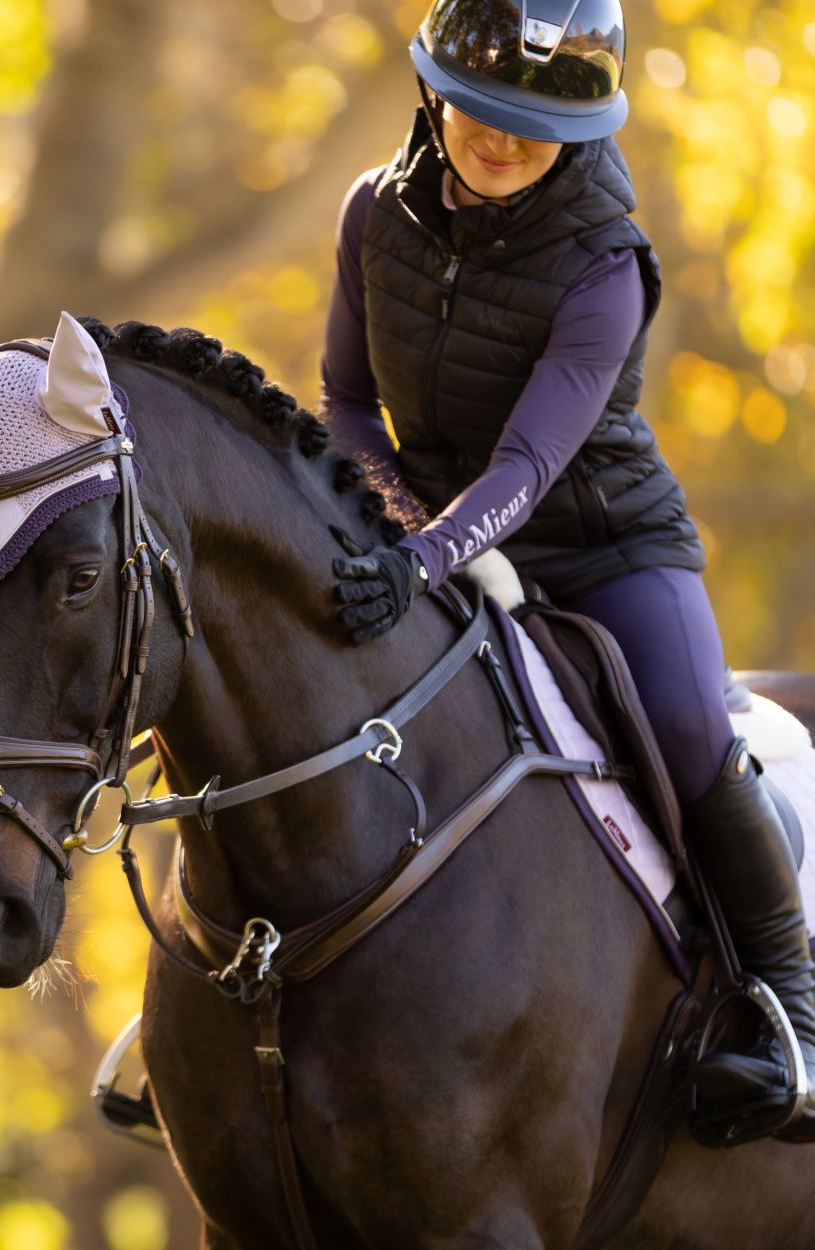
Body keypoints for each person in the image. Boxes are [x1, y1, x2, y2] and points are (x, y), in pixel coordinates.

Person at [321, 0, 815, 1139]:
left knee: (688, 723)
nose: (501, 139)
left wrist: (425, 555)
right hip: (423, 535)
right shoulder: (370, 211)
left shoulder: (607, 265)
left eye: (536, 126)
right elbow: (346, 402)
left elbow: (528, 465)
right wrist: (405, 535)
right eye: (480, 111)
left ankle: (792, 1004)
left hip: (598, 546)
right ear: (433, 93)